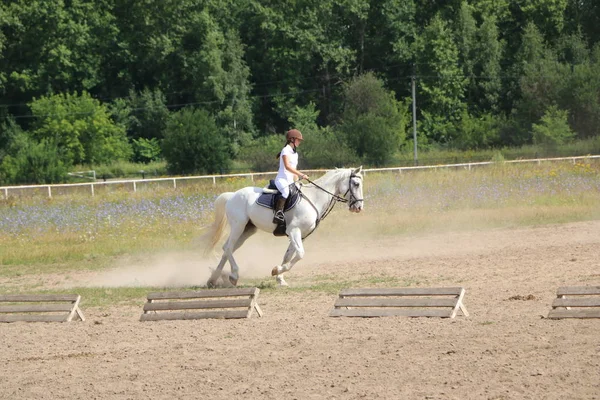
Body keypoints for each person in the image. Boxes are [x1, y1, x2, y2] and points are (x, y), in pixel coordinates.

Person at [273, 129, 309, 225]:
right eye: (298, 140)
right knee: (286, 192)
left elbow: (294, 171)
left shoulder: (295, 154)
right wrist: (302, 174)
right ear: (292, 139)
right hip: (281, 179)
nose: (299, 142)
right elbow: (288, 167)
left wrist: (297, 181)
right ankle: (278, 213)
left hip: (290, 180)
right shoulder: (285, 151)